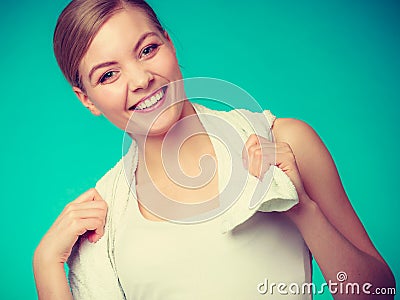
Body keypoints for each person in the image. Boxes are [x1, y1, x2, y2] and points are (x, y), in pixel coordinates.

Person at [33, 0, 395, 299]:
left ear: (170, 43)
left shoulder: (284, 143)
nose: (141, 79)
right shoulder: (103, 216)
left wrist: (303, 209)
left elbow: (376, 292)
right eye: (108, 75)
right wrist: (46, 263)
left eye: (147, 50)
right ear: (87, 100)